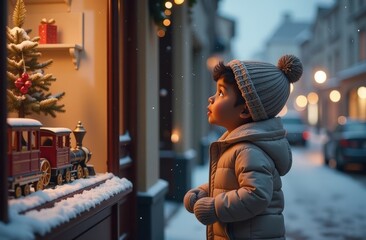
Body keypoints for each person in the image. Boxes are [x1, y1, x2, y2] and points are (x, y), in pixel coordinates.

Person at [183, 55, 303, 239]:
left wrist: (214, 207)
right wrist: (205, 192)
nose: (211, 98)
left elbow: (256, 195)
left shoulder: (249, 150)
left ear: (245, 110)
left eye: (221, 93)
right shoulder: (236, 144)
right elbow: (231, 183)